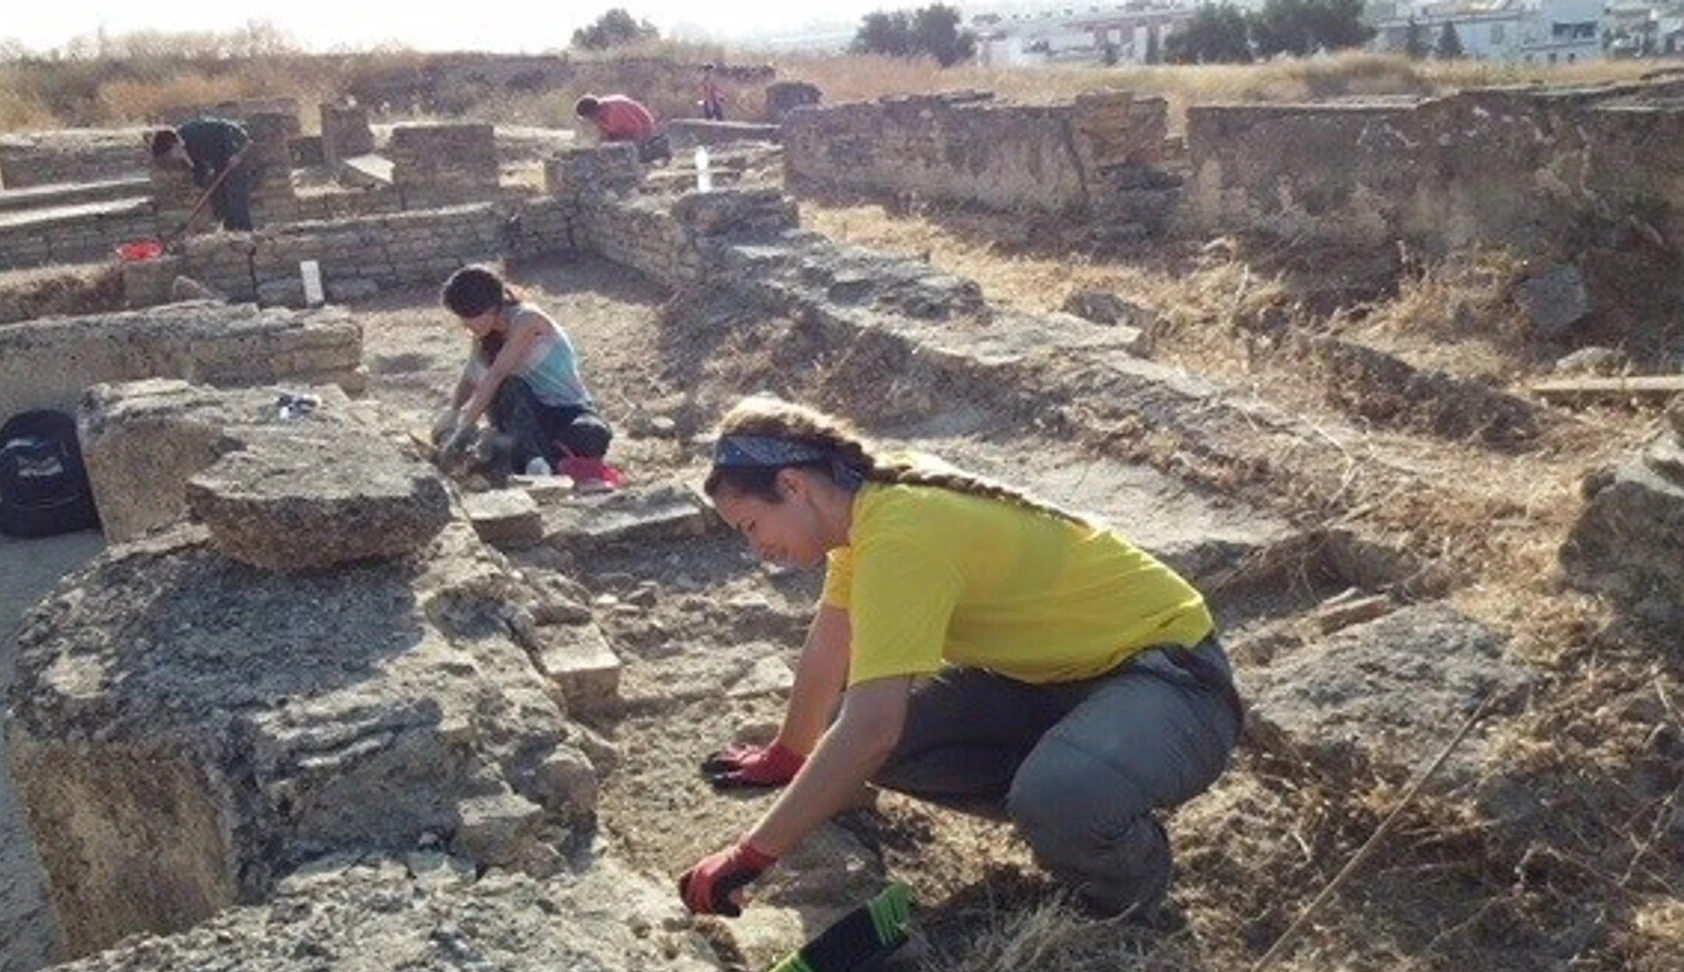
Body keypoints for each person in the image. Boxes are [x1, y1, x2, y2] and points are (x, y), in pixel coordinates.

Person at [679, 397, 1244, 924]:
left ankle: (1125, 895)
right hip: (1053, 678)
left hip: (1173, 679)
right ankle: (1070, 799)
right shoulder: (861, 512)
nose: (758, 550)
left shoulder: (901, 531)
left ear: (792, 485)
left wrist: (750, 856)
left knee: (1053, 796)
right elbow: (832, 642)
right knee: (839, 734)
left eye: (751, 526)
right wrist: (790, 752)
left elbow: (873, 729)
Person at [432, 264, 613, 478]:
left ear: (490, 308)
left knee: (593, 434)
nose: (464, 324)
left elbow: (495, 374)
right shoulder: (484, 334)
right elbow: (472, 375)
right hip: (524, 414)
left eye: (468, 316)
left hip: (568, 409)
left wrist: (464, 428)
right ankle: (533, 462)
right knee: (511, 387)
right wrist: (453, 412)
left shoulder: (526, 320)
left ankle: (524, 455)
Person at [149, 116, 254, 232]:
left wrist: (233, 153)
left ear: (173, 146)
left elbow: (226, 131)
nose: (170, 159)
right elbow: (199, 170)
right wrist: (202, 183)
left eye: (168, 155)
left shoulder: (194, 133)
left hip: (236, 143)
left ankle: (245, 233)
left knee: (234, 191)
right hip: (220, 156)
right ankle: (229, 232)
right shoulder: (184, 149)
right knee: (217, 197)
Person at [575, 94, 669, 163]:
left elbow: (637, 128)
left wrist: (636, 145)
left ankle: (658, 148)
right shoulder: (598, 116)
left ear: (594, 111)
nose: (591, 121)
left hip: (642, 128)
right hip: (623, 133)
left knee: (636, 157)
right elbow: (605, 135)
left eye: (589, 117)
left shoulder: (616, 109)